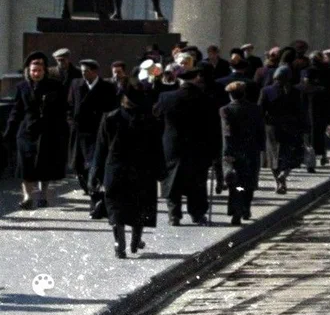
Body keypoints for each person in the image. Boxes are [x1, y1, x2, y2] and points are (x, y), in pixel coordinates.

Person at [90, 87, 164, 258]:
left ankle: (119, 242)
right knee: (139, 206)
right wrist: (160, 170)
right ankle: (135, 240)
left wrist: (95, 173)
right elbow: (157, 148)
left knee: (116, 206)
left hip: (115, 168)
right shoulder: (149, 118)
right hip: (142, 169)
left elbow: (100, 149)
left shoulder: (110, 118)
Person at [155, 57, 220, 226]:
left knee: (171, 180)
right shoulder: (207, 99)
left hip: (172, 145)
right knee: (197, 182)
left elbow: (156, 120)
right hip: (198, 147)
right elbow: (213, 128)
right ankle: (197, 214)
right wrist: (215, 152)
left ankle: (174, 214)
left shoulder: (166, 97)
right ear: (196, 79)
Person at [4, 52, 69, 208]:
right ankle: (27, 197)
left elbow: (62, 109)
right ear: (28, 71)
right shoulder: (22, 87)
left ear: (44, 71)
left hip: (47, 132)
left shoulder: (55, 86)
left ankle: (43, 195)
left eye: (39, 71)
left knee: (45, 166)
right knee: (26, 166)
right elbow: (16, 110)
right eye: (33, 71)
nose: (36, 74)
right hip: (26, 132)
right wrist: (8, 131)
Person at [66, 58, 118, 203]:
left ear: (95, 71)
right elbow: (70, 105)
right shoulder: (76, 84)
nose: (83, 74)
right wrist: (71, 122)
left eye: (86, 71)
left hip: (97, 131)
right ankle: (88, 187)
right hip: (79, 130)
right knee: (79, 164)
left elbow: (112, 108)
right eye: (82, 71)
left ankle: (94, 190)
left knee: (94, 162)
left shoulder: (107, 87)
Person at [220, 81, 265, 225]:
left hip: (234, 151)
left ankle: (237, 210)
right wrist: (261, 148)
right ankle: (246, 208)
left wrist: (227, 153)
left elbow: (227, 133)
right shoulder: (256, 109)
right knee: (249, 182)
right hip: (252, 151)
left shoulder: (226, 110)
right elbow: (260, 131)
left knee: (236, 184)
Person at [259, 67, 305, 194]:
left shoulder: (266, 90)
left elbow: (261, 110)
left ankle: (278, 182)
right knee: (289, 154)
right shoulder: (295, 91)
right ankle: (284, 175)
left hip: (272, 127)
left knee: (274, 155)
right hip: (290, 126)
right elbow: (300, 111)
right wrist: (303, 127)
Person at [302, 50, 330, 167]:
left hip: (312, 102)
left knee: (311, 130)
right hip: (325, 101)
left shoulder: (308, 71)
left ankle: (312, 154)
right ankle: (323, 155)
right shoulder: (329, 70)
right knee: (323, 128)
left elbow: (305, 85)